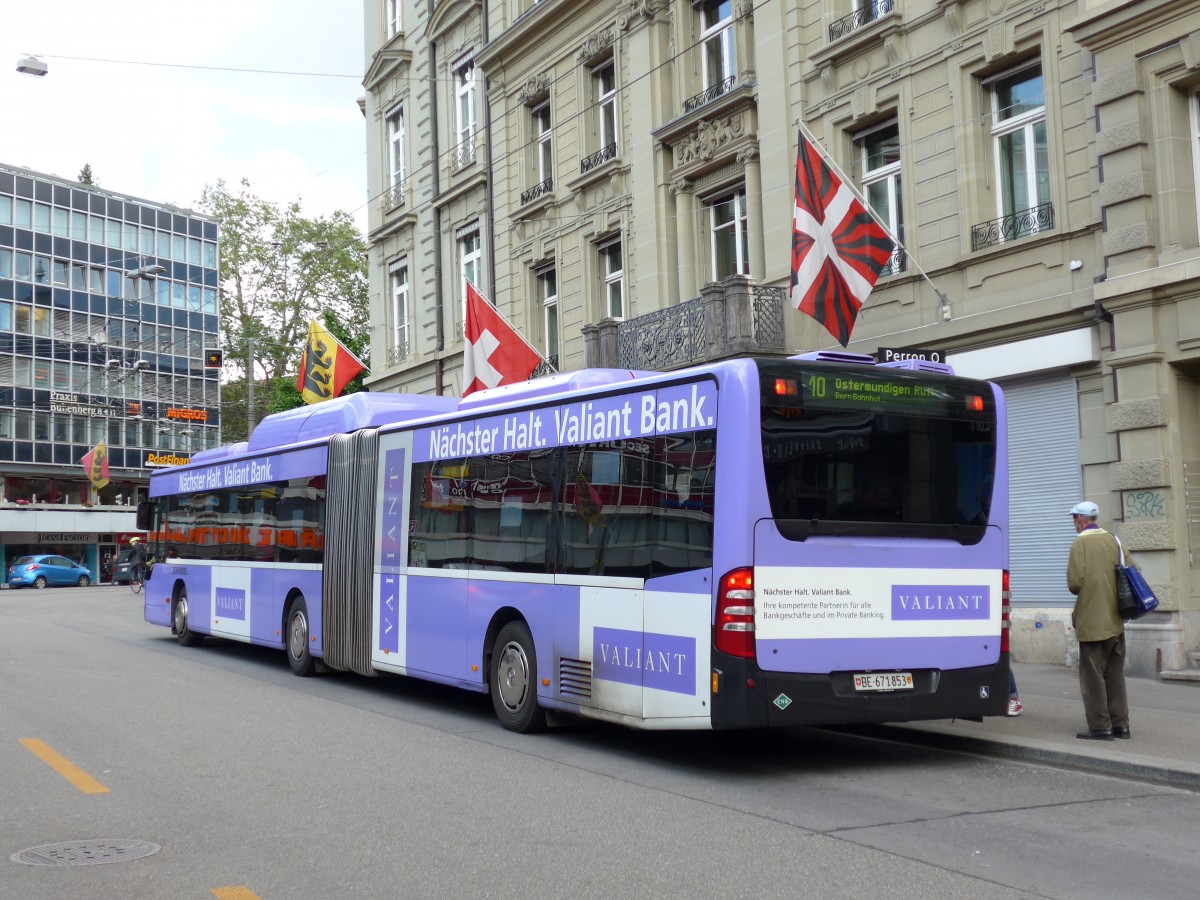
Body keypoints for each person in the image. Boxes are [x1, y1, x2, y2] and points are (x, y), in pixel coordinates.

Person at [1066, 500, 1130, 741]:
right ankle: (1121, 725)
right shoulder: (1114, 540)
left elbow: (1074, 583)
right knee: (1115, 675)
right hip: (1116, 619)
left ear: (1081, 520)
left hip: (1092, 621)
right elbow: (1132, 568)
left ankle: (1100, 727)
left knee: (1092, 676)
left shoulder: (1080, 543)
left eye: (1075, 520)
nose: (1075, 524)